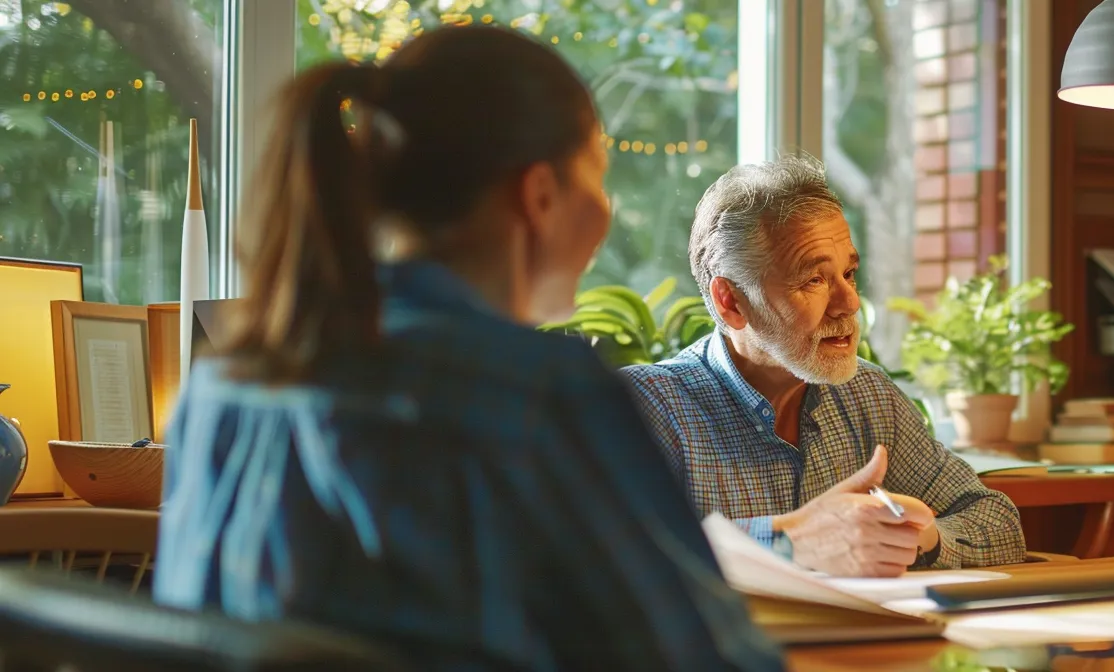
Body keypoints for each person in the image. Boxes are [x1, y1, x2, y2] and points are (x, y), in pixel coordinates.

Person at [152, 26, 784, 671]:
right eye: (598, 175)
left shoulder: (224, 381)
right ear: (539, 195)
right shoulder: (534, 394)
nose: (606, 210)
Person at [620, 156, 1027, 578]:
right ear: (731, 301)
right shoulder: (648, 405)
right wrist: (788, 542)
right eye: (813, 280)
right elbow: (611, 560)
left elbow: (998, 524)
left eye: (849, 273)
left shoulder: (866, 394)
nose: (849, 302)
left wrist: (917, 537)